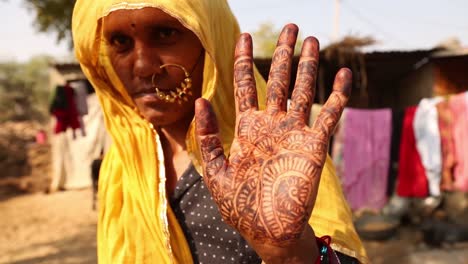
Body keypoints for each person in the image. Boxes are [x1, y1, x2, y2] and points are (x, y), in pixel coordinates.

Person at [72, 0, 368, 263]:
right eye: (120, 41)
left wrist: (290, 254)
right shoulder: (122, 166)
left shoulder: (272, 154)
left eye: (164, 34)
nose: (143, 66)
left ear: (212, 39)